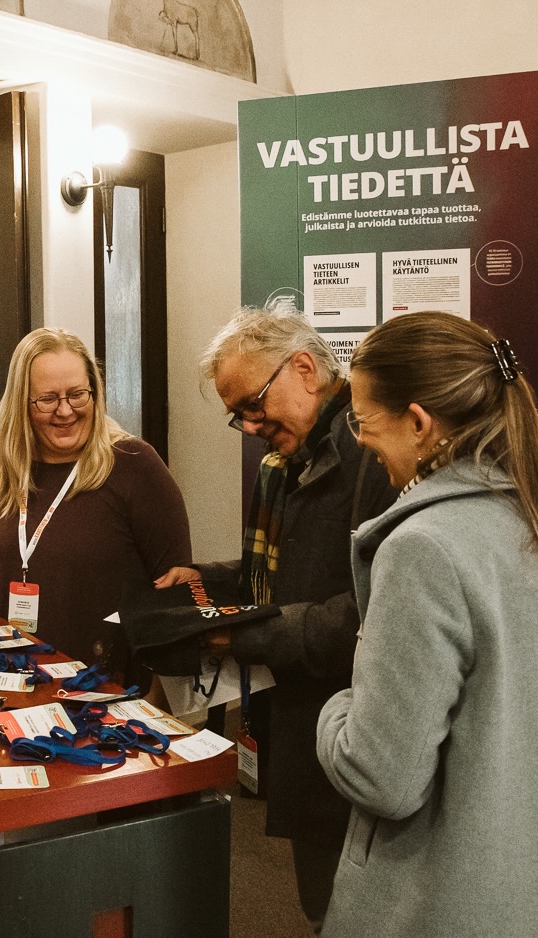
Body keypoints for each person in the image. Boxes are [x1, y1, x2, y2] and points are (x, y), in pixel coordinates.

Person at [315, 312, 538, 937]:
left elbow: (380, 774)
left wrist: (337, 710)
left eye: (360, 420)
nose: (356, 438)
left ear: (419, 422)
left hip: (434, 902)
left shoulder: (424, 549)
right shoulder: (526, 517)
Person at [195, 304, 396, 935]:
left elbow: (372, 612)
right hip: (307, 719)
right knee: (322, 901)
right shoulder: (284, 466)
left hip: (363, 729)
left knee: (355, 907)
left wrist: (253, 635)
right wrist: (210, 578)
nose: (251, 425)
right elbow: (285, 574)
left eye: (254, 404)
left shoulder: (376, 457)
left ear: (304, 368)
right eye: (238, 414)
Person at [0, 327, 194, 674]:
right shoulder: (4, 463)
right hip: (12, 672)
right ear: (21, 403)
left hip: (106, 691)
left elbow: (177, 590)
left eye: (78, 395)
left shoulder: (134, 464)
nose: (66, 411)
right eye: (48, 399)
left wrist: (157, 703)